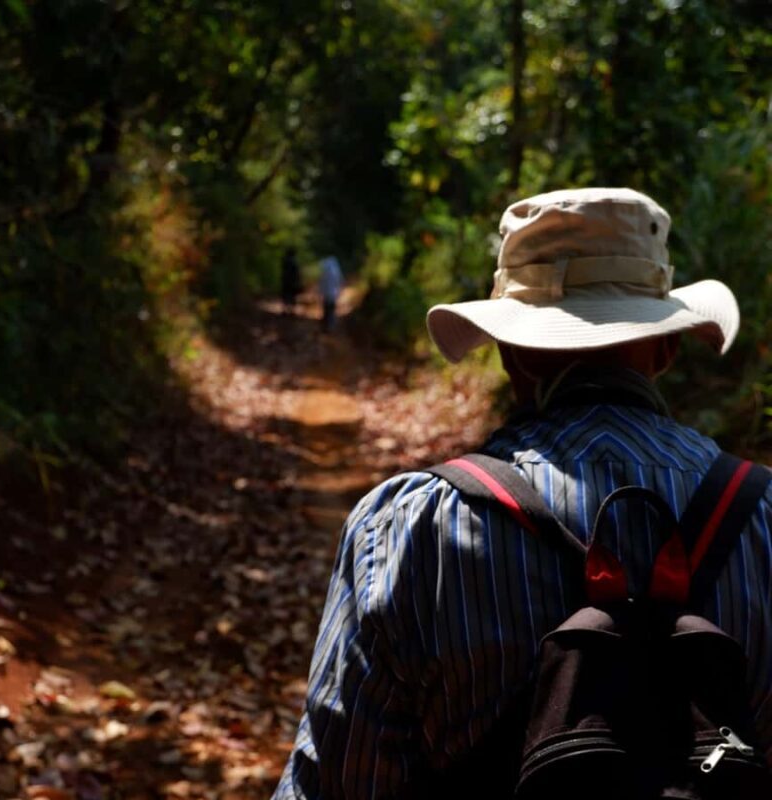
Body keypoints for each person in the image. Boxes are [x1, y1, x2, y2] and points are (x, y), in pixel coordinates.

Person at [272, 188, 772, 799]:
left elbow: (338, 783)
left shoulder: (411, 525)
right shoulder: (764, 519)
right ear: (668, 347)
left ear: (510, 353)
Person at [318, 255, 343, 332]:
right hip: (333, 295)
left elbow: (322, 284)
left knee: (327, 310)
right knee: (330, 311)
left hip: (328, 295)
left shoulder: (325, 273)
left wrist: (320, 292)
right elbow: (339, 283)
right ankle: (330, 326)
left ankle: (327, 326)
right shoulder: (336, 272)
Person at [281, 247, 302, 313]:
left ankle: (286, 309)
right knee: (292, 296)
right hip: (292, 282)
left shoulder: (285, 261)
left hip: (286, 281)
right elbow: (297, 273)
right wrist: (298, 281)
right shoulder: (294, 262)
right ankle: (291, 310)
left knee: (286, 295)